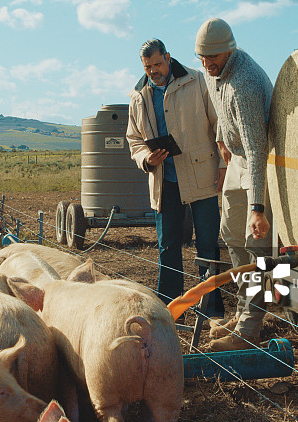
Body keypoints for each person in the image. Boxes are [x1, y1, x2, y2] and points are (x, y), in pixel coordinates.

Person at [126, 38, 225, 318]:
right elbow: (134, 140)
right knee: (167, 247)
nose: (154, 70)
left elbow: (219, 124)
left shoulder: (197, 81)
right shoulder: (138, 96)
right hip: (163, 181)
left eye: (158, 63)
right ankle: (169, 311)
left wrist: (221, 163)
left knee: (206, 244)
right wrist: (146, 158)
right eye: (148, 66)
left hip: (201, 175)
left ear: (168, 57)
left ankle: (213, 310)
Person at [195, 18, 274, 351]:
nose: (208, 63)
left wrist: (258, 208)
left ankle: (250, 328)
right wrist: (220, 142)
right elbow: (218, 111)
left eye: (214, 56)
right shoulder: (214, 75)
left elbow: (257, 150)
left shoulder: (245, 84)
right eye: (202, 58)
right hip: (236, 161)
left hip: (261, 163)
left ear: (229, 49)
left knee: (257, 247)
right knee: (231, 238)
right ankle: (242, 312)